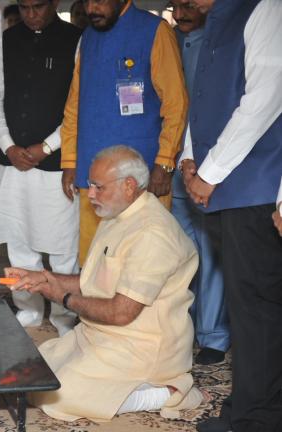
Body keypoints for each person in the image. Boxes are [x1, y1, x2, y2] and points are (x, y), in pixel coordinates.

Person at [7, 145, 203, 422]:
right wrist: (45, 278)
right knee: (29, 375)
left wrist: (62, 297)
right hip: (100, 334)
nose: (91, 194)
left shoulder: (152, 234)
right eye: (90, 185)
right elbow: (95, 280)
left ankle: (166, 392)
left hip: (141, 346)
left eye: (98, 187)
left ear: (129, 186)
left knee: (58, 396)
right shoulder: (118, 214)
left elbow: (121, 312)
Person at [179, 0, 282, 431]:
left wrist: (211, 171)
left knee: (258, 309)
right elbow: (202, 99)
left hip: (254, 186)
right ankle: (250, 406)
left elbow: (265, 99)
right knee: (246, 309)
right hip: (225, 188)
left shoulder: (266, 8)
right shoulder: (216, 20)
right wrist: (189, 159)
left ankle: (259, 418)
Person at [60, 0, 188, 265]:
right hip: (92, 176)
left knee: (143, 262)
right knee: (94, 264)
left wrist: (165, 163)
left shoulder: (155, 31)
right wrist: (70, 160)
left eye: (99, 1)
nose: (91, 9)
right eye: (87, 1)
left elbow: (176, 104)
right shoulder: (88, 37)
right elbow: (74, 105)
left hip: (140, 178)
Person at [0, 0, 82, 336]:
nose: (30, 14)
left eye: (38, 6)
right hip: (13, 162)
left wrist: (47, 147)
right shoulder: (7, 40)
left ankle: (64, 317)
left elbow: (78, 106)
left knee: (63, 247)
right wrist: (8, 145)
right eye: (24, 7)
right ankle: (28, 312)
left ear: (54, 3)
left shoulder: (76, 39)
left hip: (57, 163)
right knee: (19, 242)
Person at [169, 0, 227, 366]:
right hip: (170, 165)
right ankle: (182, 328)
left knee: (211, 255)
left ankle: (213, 335)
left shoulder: (222, 39)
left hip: (208, 169)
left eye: (188, 5)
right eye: (174, 6)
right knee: (178, 253)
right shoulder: (167, 40)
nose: (180, 14)